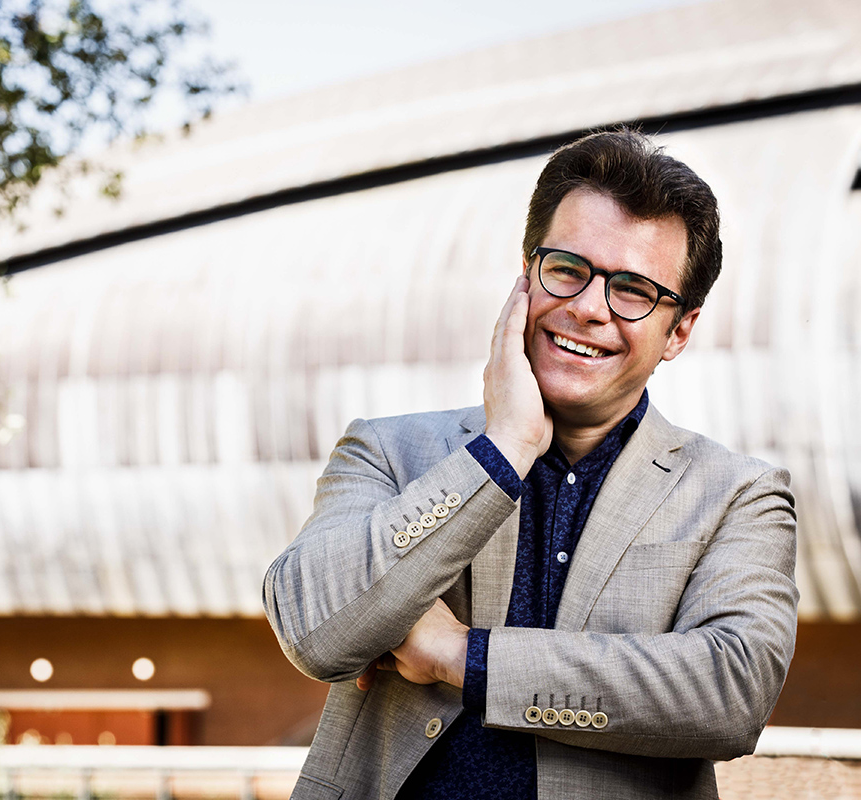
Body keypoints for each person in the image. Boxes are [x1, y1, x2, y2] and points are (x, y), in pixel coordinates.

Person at [263, 129, 798, 800]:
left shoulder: (737, 496)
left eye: (633, 289)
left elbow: (729, 694)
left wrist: (463, 658)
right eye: (568, 269)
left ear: (680, 330)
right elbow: (315, 628)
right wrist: (501, 452)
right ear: (527, 274)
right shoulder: (388, 452)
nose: (588, 307)